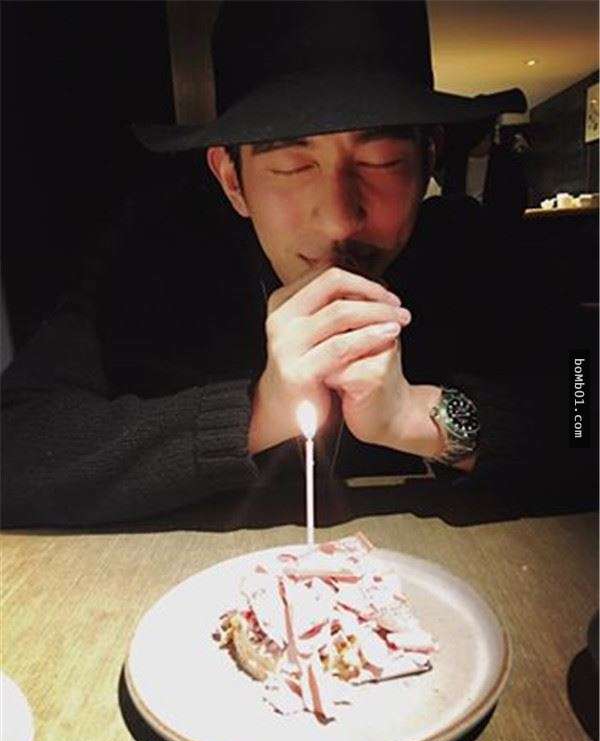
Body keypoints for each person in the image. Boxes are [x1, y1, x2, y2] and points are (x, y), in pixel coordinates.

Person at [1, 1, 587, 527]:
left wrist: (417, 416)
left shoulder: (473, 251)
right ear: (232, 180)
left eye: (382, 161)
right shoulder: (153, 264)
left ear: (428, 158)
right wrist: (254, 413)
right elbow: (15, 445)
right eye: (291, 168)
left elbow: (586, 407)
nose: (339, 220)